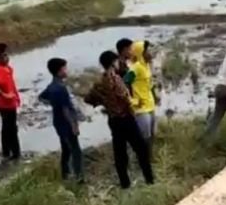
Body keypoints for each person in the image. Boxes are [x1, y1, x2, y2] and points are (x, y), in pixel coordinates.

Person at [84, 51, 154, 188]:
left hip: (113, 121)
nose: (118, 63)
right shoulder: (116, 79)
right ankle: (149, 179)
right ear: (112, 63)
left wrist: (104, 102)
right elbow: (125, 98)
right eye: (116, 61)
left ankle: (125, 184)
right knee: (141, 149)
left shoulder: (100, 82)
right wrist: (137, 104)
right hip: (126, 119)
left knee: (120, 153)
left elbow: (88, 99)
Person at [38, 58, 83, 182]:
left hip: (58, 122)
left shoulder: (51, 86)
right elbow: (65, 109)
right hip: (66, 123)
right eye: (64, 68)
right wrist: (74, 125)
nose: (66, 70)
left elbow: (41, 97)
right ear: (59, 71)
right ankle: (79, 177)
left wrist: (53, 104)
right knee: (76, 150)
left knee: (66, 148)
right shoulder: (61, 88)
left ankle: (65, 173)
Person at [124, 41, 157, 154]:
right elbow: (124, 84)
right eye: (147, 51)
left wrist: (155, 96)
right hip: (141, 108)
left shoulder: (146, 65)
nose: (150, 53)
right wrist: (132, 101)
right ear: (140, 53)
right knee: (144, 137)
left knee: (152, 134)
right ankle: (142, 158)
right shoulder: (135, 68)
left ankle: (149, 157)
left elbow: (149, 84)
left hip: (150, 104)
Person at [0, 43, 21, 161]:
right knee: (11, 129)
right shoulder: (0, 71)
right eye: (3, 56)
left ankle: (7, 152)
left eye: (7, 55)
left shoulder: (7, 69)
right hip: (5, 105)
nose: (7, 58)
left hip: (9, 103)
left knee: (8, 128)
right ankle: (15, 154)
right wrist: (4, 95)